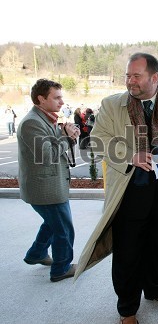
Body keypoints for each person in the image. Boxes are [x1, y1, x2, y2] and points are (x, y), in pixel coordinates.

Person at [75, 53, 158, 324]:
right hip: (128, 191)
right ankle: (127, 308)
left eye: (136, 76)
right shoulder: (111, 105)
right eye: (127, 75)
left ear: (155, 78)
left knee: (157, 244)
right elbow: (97, 140)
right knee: (128, 251)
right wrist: (129, 154)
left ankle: (156, 289)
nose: (130, 81)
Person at [17, 79, 80, 282]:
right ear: (41, 99)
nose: (62, 102)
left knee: (52, 224)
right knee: (63, 228)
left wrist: (65, 134)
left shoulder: (45, 118)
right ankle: (61, 268)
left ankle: (36, 254)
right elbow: (47, 156)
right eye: (57, 97)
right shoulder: (32, 122)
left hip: (50, 185)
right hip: (45, 189)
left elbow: (54, 146)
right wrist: (67, 137)